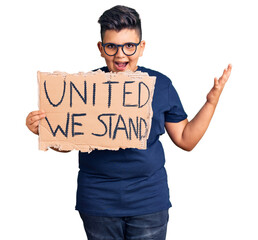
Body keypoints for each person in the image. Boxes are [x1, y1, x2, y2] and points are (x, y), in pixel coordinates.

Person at [26, 5, 232, 240]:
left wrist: (211, 103)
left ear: (141, 47)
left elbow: (186, 140)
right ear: (101, 49)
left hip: (149, 201)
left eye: (129, 46)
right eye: (112, 46)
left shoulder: (160, 85)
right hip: (98, 202)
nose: (120, 54)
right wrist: (46, 131)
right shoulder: (84, 87)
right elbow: (68, 143)